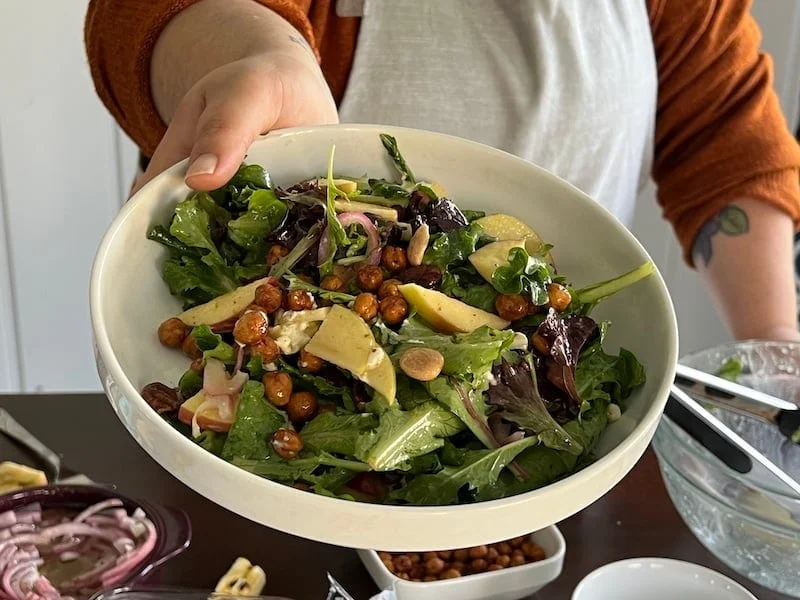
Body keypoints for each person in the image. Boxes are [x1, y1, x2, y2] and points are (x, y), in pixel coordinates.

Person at [85, 0, 800, 343]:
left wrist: (775, 353)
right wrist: (252, 53)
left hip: (539, 396)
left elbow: (723, 132)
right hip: (256, 372)